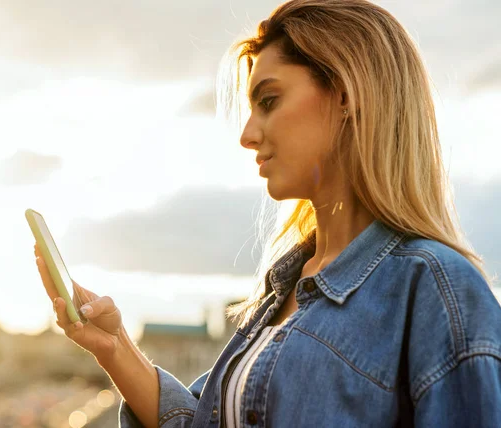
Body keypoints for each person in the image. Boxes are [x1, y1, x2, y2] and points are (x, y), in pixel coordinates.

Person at [34, 0, 501, 426]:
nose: (248, 135)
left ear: (347, 94)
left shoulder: (438, 290)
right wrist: (114, 347)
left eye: (269, 101)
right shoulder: (276, 298)